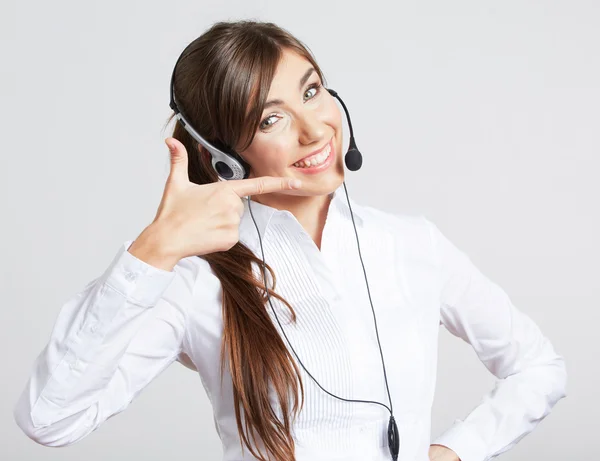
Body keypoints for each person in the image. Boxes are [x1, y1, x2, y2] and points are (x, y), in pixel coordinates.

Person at [13, 20, 567, 461]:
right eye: (271, 120)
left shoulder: (411, 245)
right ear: (223, 156)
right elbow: (49, 417)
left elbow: (539, 368)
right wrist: (152, 251)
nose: (314, 128)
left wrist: (456, 451)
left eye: (312, 90)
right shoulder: (196, 279)